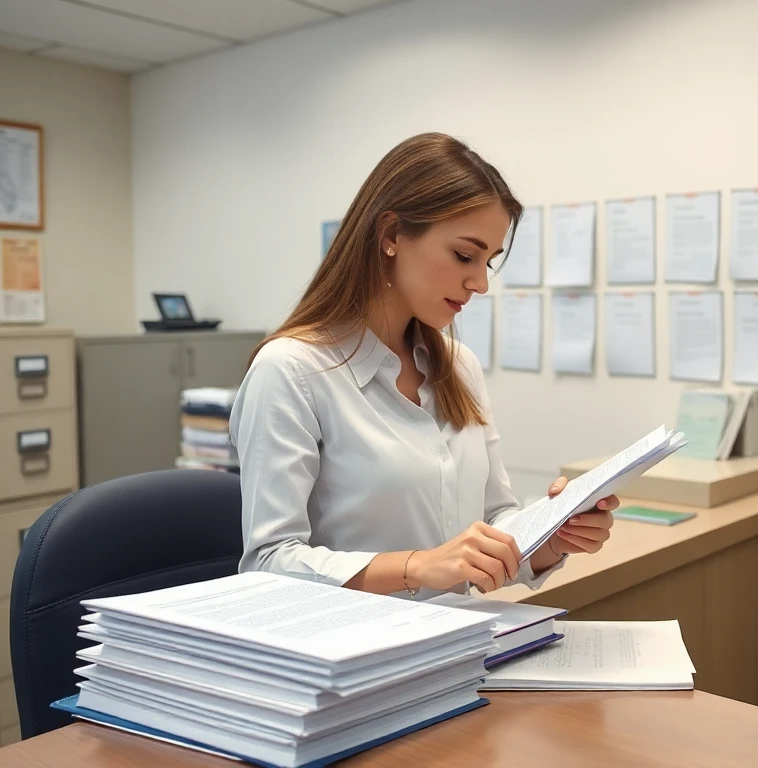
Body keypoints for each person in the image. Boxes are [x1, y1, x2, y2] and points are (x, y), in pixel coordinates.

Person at [229, 132, 618, 599]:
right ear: (391, 236)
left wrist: (551, 538)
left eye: (488, 262)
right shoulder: (293, 371)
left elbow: (494, 522)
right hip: (352, 657)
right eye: (464, 256)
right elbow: (269, 563)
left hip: (457, 646)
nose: (479, 284)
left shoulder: (459, 367)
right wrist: (418, 566)